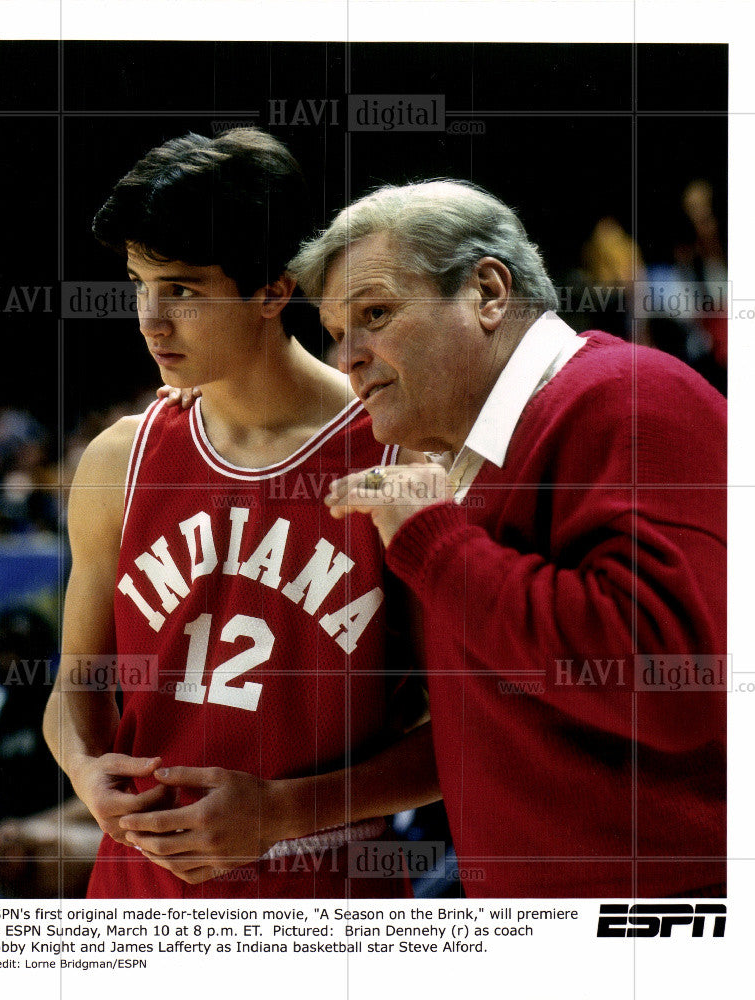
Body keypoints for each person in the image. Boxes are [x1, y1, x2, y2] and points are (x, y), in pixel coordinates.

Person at [288, 179, 726, 898]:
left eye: (375, 314)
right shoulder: (471, 462)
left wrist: (436, 545)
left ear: (487, 293)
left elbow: (666, 679)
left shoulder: (629, 398)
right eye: (337, 334)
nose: (348, 359)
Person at [43, 130, 439, 899]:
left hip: (320, 908)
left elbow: (461, 736)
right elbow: (74, 687)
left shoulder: (401, 461)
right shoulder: (118, 461)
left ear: (273, 288)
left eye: (184, 290)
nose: (150, 321)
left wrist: (282, 812)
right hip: (134, 902)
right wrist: (89, 775)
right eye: (138, 283)